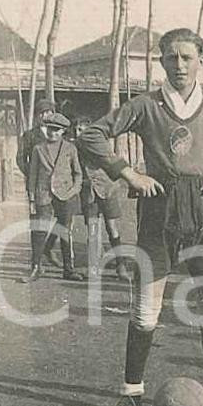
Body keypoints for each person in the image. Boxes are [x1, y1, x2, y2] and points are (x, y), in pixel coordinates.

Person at [78, 27, 203, 406]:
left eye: (187, 57)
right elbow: (93, 135)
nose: (179, 64)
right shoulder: (147, 106)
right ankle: (131, 395)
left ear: (201, 60)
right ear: (161, 62)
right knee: (146, 308)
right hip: (158, 208)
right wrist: (128, 173)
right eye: (171, 57)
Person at [22, 111, 84, 283]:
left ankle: (68, 269)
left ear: (63, 131)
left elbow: (78, 173)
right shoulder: (38, 149)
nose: (52, 132)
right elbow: (32, 175)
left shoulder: (70, 149)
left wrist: (73, 190)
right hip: (44, 195)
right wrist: (32, 199)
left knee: (65, 232)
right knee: (39, 231)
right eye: (50, 129)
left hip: (65, 195)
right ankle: (35, 268)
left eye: (57, 130)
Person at [74, 117, 130, 282]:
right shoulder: (74, 148)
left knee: (112, 227)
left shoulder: (99, 146)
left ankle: (121, 266)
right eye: (76, 130)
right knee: (92, 230)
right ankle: (94, 267)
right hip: (89, 191)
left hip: (107, 189)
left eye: (82, 130)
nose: (79, 133)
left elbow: (113, 163)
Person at [17, 98, 61, 269]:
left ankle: (48, 248)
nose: (45, 116)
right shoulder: (29, 136)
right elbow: (20, 159)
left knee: (63, 219)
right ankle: (36, 261)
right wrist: (33, 175)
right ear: (37, 116)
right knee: (38, 222)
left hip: (59, 186)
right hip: (38, 186)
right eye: (41, 113)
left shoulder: (58, 133)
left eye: (48, 112)